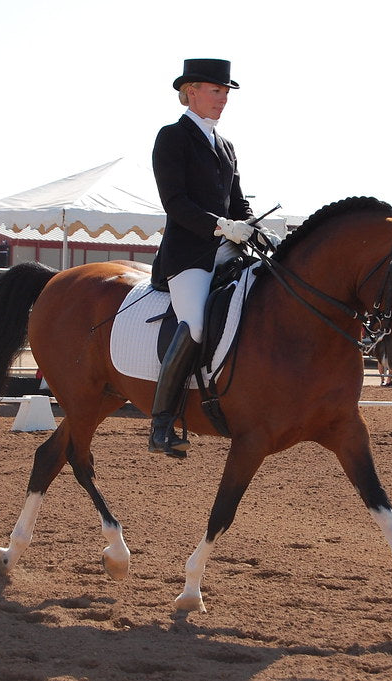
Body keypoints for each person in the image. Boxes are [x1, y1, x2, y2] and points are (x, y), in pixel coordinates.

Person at [147, 58, 256, 458]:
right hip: (189, 253)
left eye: (226, 92)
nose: (223, 98)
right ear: (191, 91)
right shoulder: (172, 137)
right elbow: (175, 202)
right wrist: (221, 225)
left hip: (230, 250)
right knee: (193, 324)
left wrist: (250, 226)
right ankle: (161, 424)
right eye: (216, 91)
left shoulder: (225, 145)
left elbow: (239, 202)